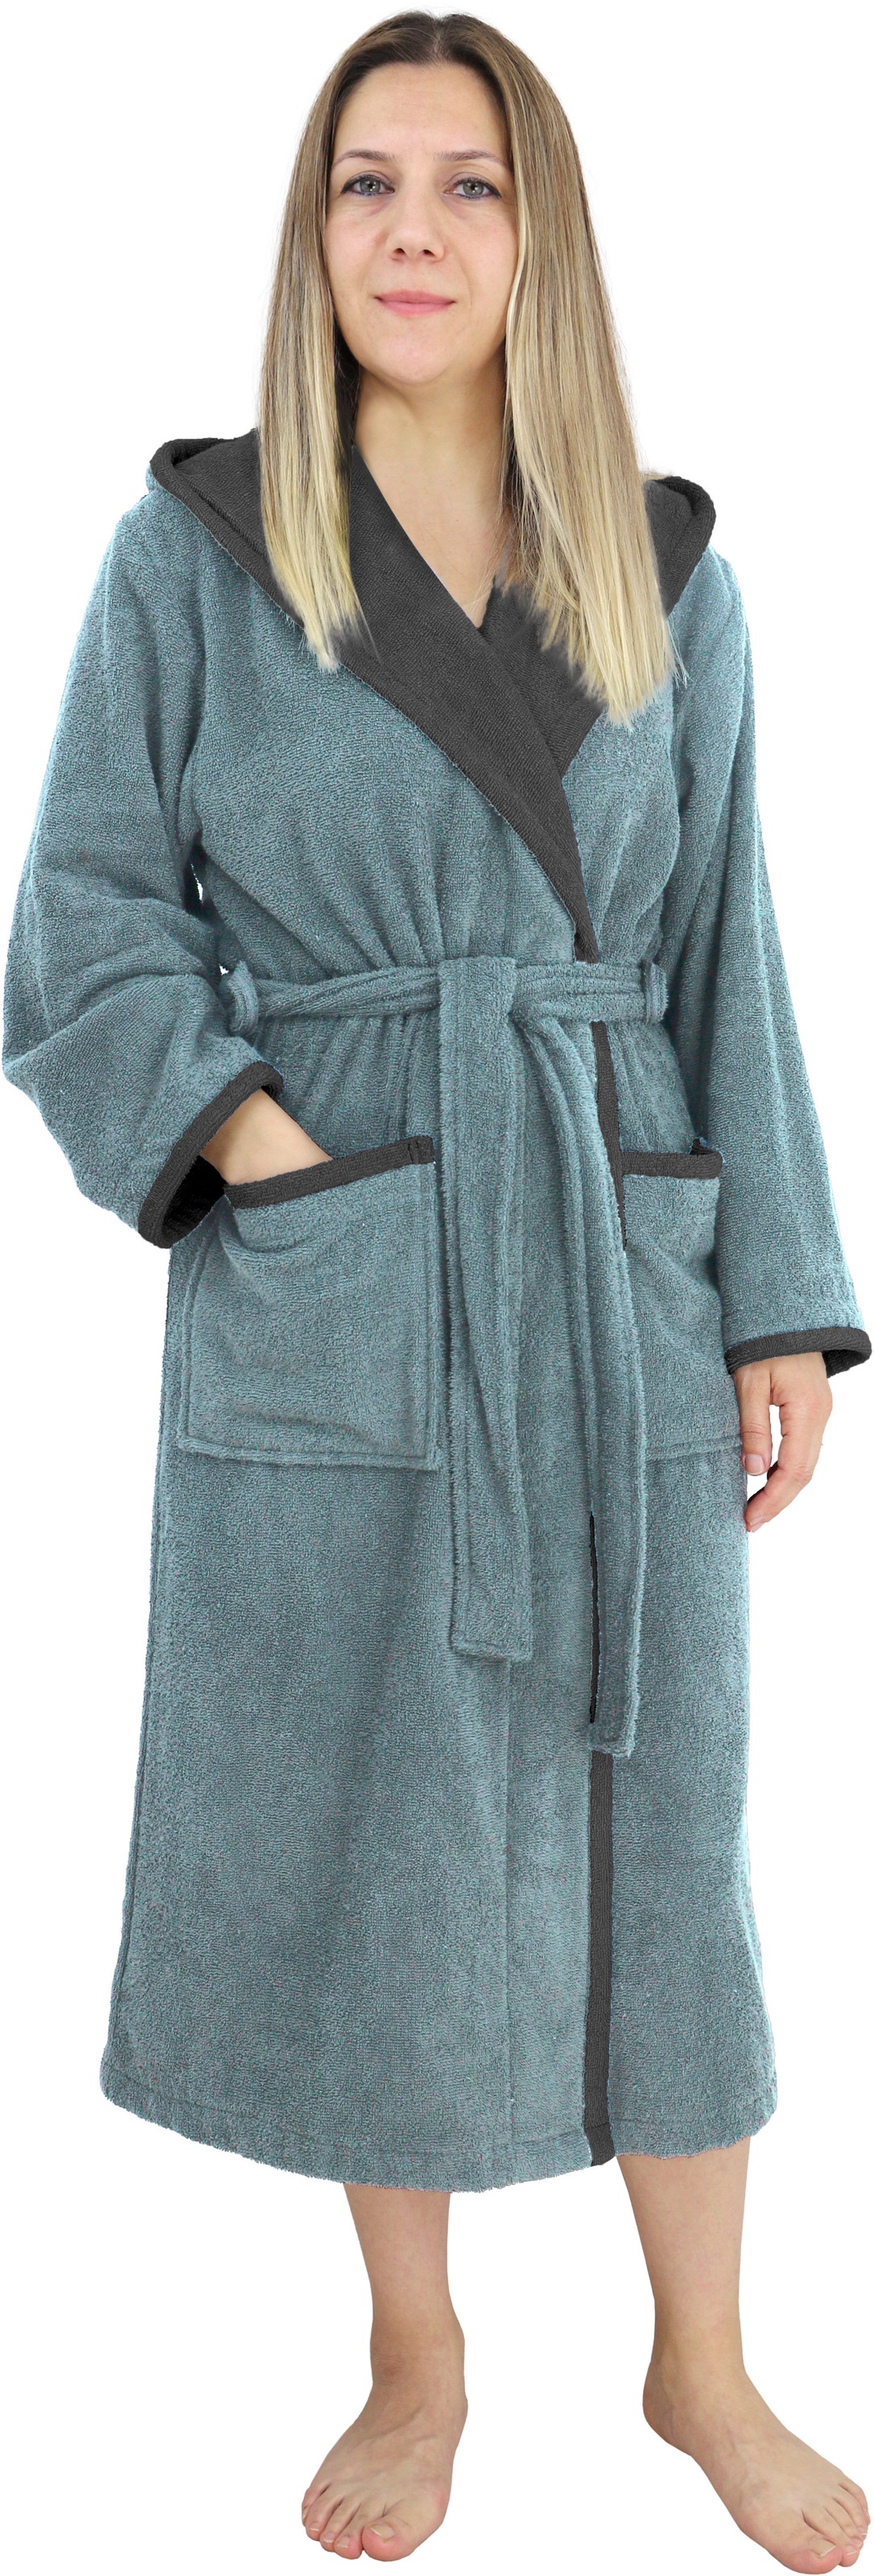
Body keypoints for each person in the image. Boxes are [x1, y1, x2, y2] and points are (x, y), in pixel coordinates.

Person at [3, 10, 870, 2568]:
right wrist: (268, 1150)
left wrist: (780, 1298)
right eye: (364, 182)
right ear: (313, 235)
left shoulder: (667, 570)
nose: (412, 229)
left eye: (467, 184)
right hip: (349, 1256)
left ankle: (702, 2361)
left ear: (536, 236)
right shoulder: (196, 555)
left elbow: (726, 956)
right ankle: (419, 2350)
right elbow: (81, 919)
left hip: (611, 1257)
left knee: (662, 1812)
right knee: (383, 1810)